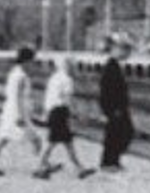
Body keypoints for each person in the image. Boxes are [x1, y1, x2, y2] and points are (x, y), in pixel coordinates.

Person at [34, 55, 95, 180]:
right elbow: (68, 100)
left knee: (67, 142)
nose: (75, 69)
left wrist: (46, 113)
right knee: (52, 142)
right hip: (60, 113)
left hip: (52, 111)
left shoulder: (54, 77)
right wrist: (77, 115)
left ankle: (80, 169)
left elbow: (48, 97)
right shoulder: (67, 80)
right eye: (73, 66)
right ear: (68, 66)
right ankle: (39, 168)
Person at [0, 47, 42, 175]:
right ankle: (40, 166)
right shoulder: (21, 76)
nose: (33, 64)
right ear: (26, 61)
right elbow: (18, 97)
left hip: (10, 110)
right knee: (36, 139)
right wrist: (21, 115)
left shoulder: (14, 73)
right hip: (18, 112)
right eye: (31, 61)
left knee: (3, 137)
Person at [99, 37, 134, 171]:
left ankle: (113, 161)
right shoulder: (111, 66)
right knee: (118, 134)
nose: (128, 55)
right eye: (127, 51)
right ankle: (108, 162)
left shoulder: (115, 65)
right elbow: (106, 90)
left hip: (119, 108)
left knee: (118, 133)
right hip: (115, 109)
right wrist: (109, 109)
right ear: (119, 50)